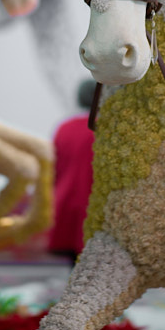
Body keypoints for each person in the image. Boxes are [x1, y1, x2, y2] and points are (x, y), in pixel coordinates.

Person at [47, 79, 96, 260]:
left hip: (66, 205)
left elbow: (53, 170)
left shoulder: (64, 129)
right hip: (94, 209)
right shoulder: (106, 128)